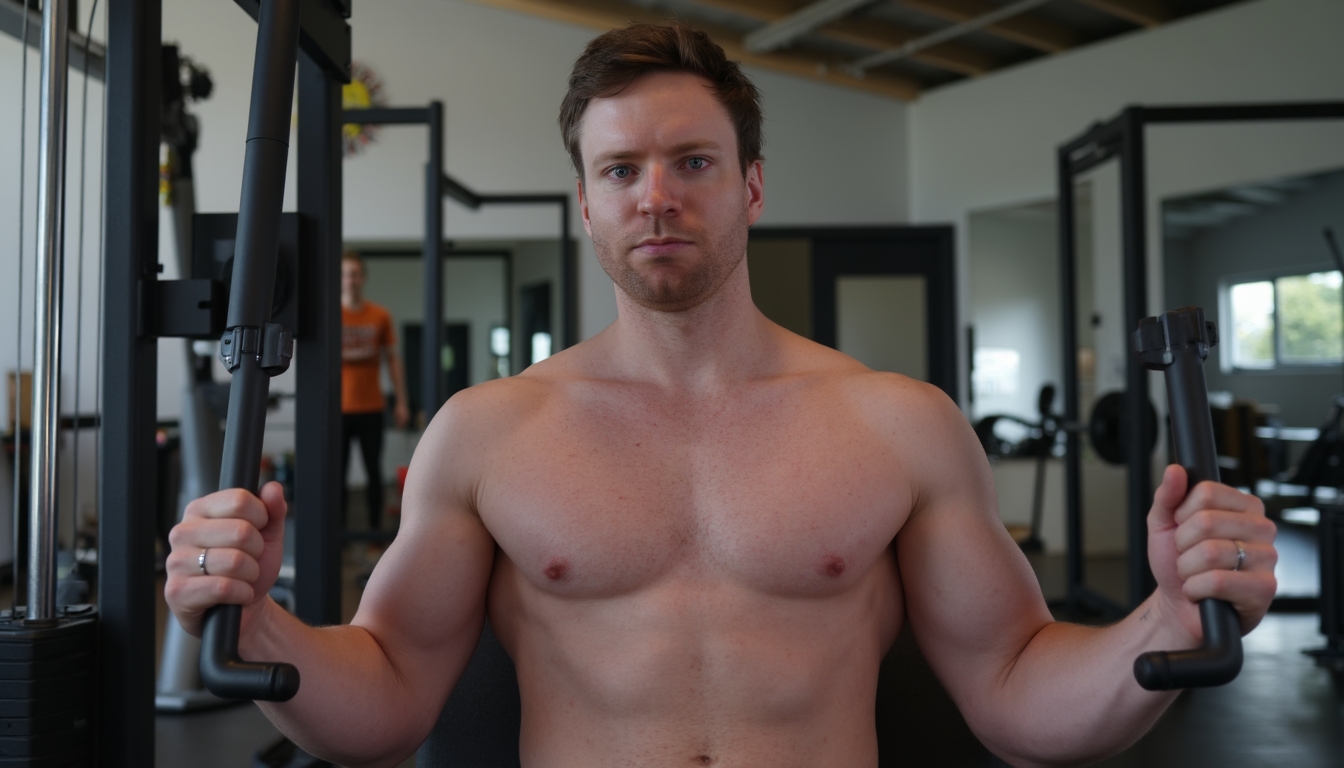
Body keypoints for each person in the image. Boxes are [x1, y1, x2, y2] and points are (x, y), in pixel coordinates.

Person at [165, 23, 1278, 768]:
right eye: (621, 170)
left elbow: (1020, 694)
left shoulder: (898, 425)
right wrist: (255, 624)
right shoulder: (488, 434)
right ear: (586, 205)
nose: (656, 197)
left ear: (751, 185)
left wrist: (1170, 618)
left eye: (693, 162)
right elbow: (387, 700)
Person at [340, 250, 410, 541]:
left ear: (363, 278)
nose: (351, 280)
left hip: (372, 406)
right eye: (346, 274)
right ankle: (339, 537)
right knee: (337, 476)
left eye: (355, 274)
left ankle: (374, 536)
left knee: (373, 473)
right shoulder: (330, 314)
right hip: (338, 409)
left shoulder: (379, 315)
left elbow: (393, 359)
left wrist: (402, 401)